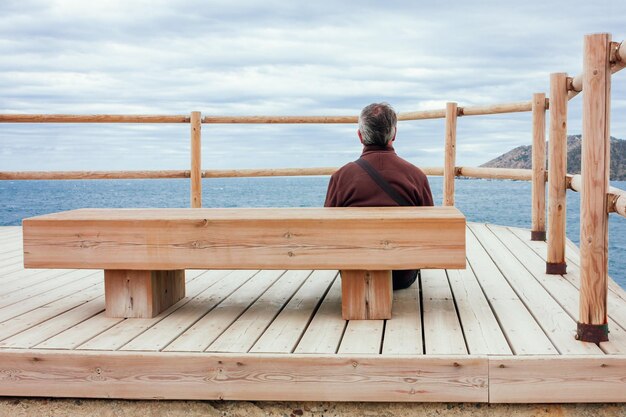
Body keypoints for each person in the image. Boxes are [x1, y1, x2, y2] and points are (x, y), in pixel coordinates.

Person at [324, 102, 434, 290]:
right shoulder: (417, 176)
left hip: (354, 270)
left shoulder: (340, 178)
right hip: (402, 275)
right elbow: (430, 231)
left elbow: (327, 231)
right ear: (394, 134)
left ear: (360, 136)